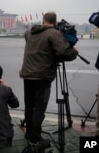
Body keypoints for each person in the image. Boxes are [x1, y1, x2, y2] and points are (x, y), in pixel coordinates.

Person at [19, 11, 78, 147]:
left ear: (43, 20)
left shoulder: (29, 32)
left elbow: (42, 47)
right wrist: (74, 51)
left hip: (27, 74)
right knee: (39, 107)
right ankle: (35, 138)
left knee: (29, 105)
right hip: (42, 76)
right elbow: (64, 52)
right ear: (55, 22)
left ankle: (29, 133)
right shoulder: (53, 33)